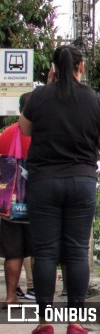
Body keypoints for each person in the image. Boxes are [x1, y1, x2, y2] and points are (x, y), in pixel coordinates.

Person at [19, 45, 100, 334]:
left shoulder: (38, 97)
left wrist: (49, 88)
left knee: (46, 252)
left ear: (52, 68)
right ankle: (75, 323)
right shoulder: (96, 101)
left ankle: (44, 323)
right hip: (81, 182)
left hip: (43, 183)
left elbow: (25, 130)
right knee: (76, 253)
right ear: (81, 68)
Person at [0, 92, 33, 308]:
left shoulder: (5, 135)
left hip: (9, 204)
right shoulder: (42, 134)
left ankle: (10, 296)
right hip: (38, 203)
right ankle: (41, 296)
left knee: (13, 251)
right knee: (40, 250)